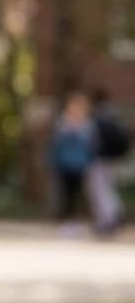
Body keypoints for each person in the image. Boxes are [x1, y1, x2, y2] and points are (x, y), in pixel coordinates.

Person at [49, 91, 97, 231]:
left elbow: (91, 145)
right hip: (64, 164)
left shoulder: (87, 124)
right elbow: (56, 144)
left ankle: (76, 222)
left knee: (78, 193)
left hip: (80, 164)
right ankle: (66, 221)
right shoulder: (63, 122)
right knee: (66, 193)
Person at [87, 87, 129, 235]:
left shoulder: (98, 116)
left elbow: (95, 140)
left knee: (99, 188)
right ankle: (113, 215)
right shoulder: (113, 114)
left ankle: (110, 217)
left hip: (102, 158)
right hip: (114, 158)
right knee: (106, 187)